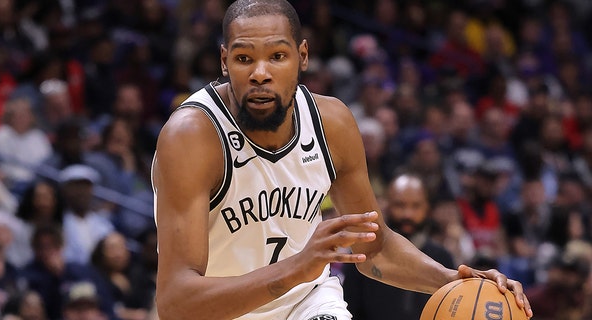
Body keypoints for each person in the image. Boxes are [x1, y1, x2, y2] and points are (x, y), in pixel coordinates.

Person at [150, 1, 533, 319]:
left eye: (277, 56)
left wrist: (456, 281)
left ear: (302, 56)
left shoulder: (331, 124)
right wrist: (296, 268)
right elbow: (175, 302)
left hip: (308, 303)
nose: (260, 73)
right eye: (244, 58)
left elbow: (375, 247)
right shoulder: (192, 137)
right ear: (224, 61)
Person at [343, 173, 455, 320]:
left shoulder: (442, 257)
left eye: (416, 206)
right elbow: (349, 309)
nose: (407, 214)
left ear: (427, 207)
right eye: (399, 205)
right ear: (386, 205)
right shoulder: (364, 254)